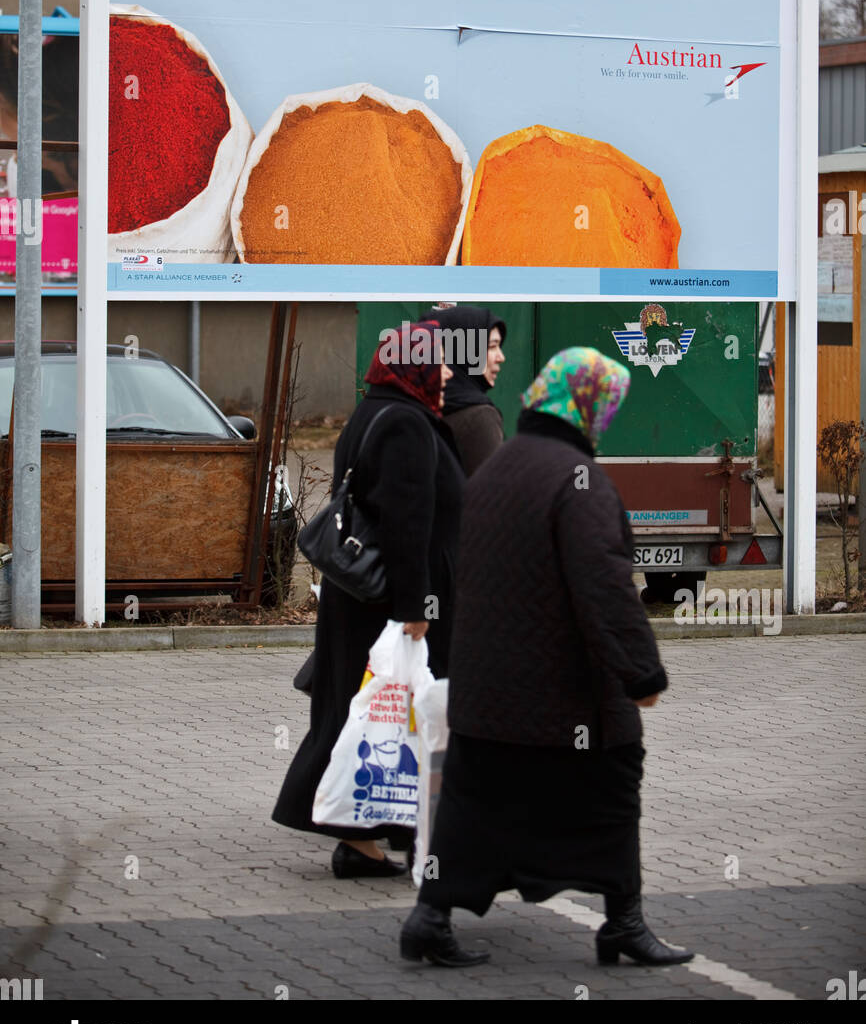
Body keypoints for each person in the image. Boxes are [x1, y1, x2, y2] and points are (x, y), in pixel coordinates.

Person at [399, 347, 694, 968]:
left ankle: (429, 917)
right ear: (587, 408)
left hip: (486, 693)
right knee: (613, 788)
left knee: (473, 804)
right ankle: (623, 922)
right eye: (606, 408)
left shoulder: (497, 467)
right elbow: (606, 585)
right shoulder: (579, 481)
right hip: (563, 699)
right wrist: (641, 672)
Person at [273, 320, 465, 879]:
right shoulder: (405, 422)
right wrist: (415, 608)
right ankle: (364, 834)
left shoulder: (377, 410)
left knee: (368, 713)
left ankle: (378, 834)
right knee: (383, 714)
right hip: (388, 605)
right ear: (417, 367)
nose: (451, 372)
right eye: (442, 362)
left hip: (360, 598)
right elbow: (405, 523)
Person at [419, 304, 507, 476]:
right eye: (491, 346)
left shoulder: (415, 409)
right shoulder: (479, 419)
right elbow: (494, 496)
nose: (501, 357)